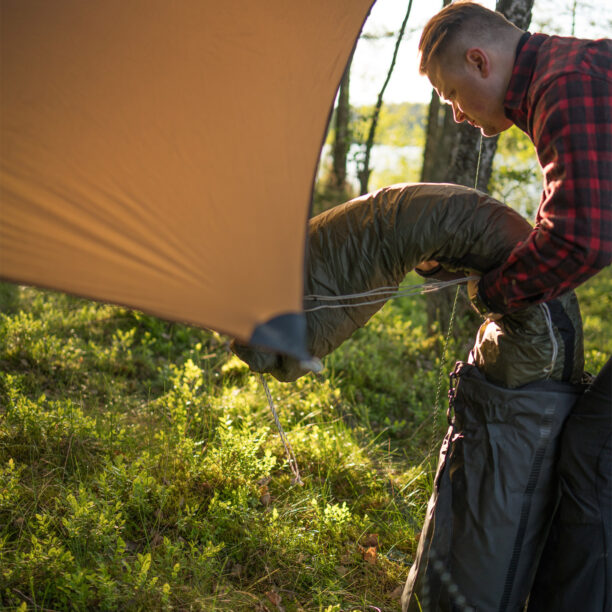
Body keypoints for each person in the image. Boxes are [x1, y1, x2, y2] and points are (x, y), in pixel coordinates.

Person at [412, 2, 611, 610]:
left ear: (480, 59)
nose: (455, 112)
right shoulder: (566, 74)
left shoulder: (563, 85)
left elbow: (581, 238)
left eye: (452, 93)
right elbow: (573, 219)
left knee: (592, 455)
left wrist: (490, 291)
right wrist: (482, 258)